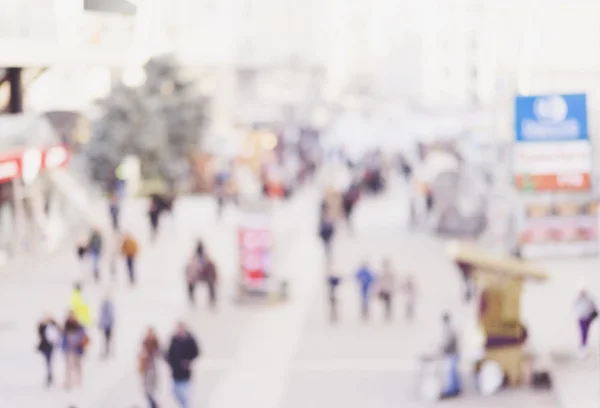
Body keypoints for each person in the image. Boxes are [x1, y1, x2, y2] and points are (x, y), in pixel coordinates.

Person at [166, 322, 200, 408]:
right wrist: (171, 364)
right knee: (175, 392)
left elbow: (196, 352)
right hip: (175, 373)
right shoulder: (174, 340)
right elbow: (169, 355)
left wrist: (189, 361)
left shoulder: (190, 340)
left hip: (185, 374)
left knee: (186, 397)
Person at [62, 311, 88, 390]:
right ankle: (69, 382)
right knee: (69, 366)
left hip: (78, 349)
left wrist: (77, 340)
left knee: (78, 365)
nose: (71, 318)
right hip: (69, 349)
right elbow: (63, 338)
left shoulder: (80, 326)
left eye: (72, 316)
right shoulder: (66, 326)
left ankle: (78, 380)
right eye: (69, 316)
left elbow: (84, 337)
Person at [139, 328, 161, 408]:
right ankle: (153, 404)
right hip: (145, 368)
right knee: (146, 389)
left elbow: (159, 353)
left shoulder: (155, 343)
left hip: (152, 368)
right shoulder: (144, 342)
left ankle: (153, 404)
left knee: (150, 388)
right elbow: (140, 355)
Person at [440, 313, 460, 398]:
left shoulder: (449, 329)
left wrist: (442, 349)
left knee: (452, 373)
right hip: (454, 353)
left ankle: (452, 390)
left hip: (452, 354)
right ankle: (456, 389)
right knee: (453, 373)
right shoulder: (450, 328)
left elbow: (449, 342)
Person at [37, 314, 61, 387]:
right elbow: (40, 333)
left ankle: (50, 375)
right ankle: (49, 375)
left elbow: (58, 332)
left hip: (50, 346)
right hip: (44, 346)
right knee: (47, 361)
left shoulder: (53, 325)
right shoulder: (42, 326)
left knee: (49, 361)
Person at [574, 290, 598, 358]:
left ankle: (584, 347)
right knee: (583, 333)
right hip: (582, 318)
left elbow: (594, 306)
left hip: (588, 318)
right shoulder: (578, 299)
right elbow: (574, 308)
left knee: (586, 333)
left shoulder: (589, 299)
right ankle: (583, 348)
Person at [98, 292, 115, 358]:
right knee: (106, 339)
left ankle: (107, 351)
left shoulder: (107, 305)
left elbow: (110, 315)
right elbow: (103, 316)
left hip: (108, 325)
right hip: (107, 325)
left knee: (107, 339)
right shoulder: (107, 305)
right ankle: (106, 351)